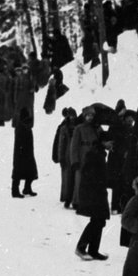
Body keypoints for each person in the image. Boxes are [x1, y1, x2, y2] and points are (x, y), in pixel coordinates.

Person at [74, 132, 112, 261]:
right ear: (104, 142)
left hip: (97, 192)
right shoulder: (95, 154)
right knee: (97, 220)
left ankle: (93, 250)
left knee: (99, 220)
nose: (112, 145)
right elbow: (89, 174)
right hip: (93, 193)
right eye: (110, 142)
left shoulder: (99, 153)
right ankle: (81, 247)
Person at [68, 106, 101, 209]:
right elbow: (74, 146)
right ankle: (76, 202)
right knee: (79, 181)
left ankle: (87, 202)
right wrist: (75, 161)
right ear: (84, 116)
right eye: (88, 115)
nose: (90, 117)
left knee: (90, 181)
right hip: (82, 157)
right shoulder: (79, 128)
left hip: (93, 157)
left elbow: (102, 140)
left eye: (92, 115)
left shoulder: (96, 128)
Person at [53, 107, 78, 209]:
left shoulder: (77, 127)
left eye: (73, 116)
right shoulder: (64, 128)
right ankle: (67, 199)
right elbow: (61, 144)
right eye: (70, 116)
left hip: (74, 156)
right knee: (67, 179)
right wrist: (60, 157)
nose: (72, 118)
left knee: (74, 179)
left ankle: (73, 199)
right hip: (67, 156)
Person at [11, 105, 38, 198]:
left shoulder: (25, 126)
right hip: (21, 154)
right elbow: (19, 141)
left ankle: (27, 188)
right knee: (18, 173)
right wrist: (22, 150)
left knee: (31, 172)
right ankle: (15, 191)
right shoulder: (21, 127)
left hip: (27, 153)